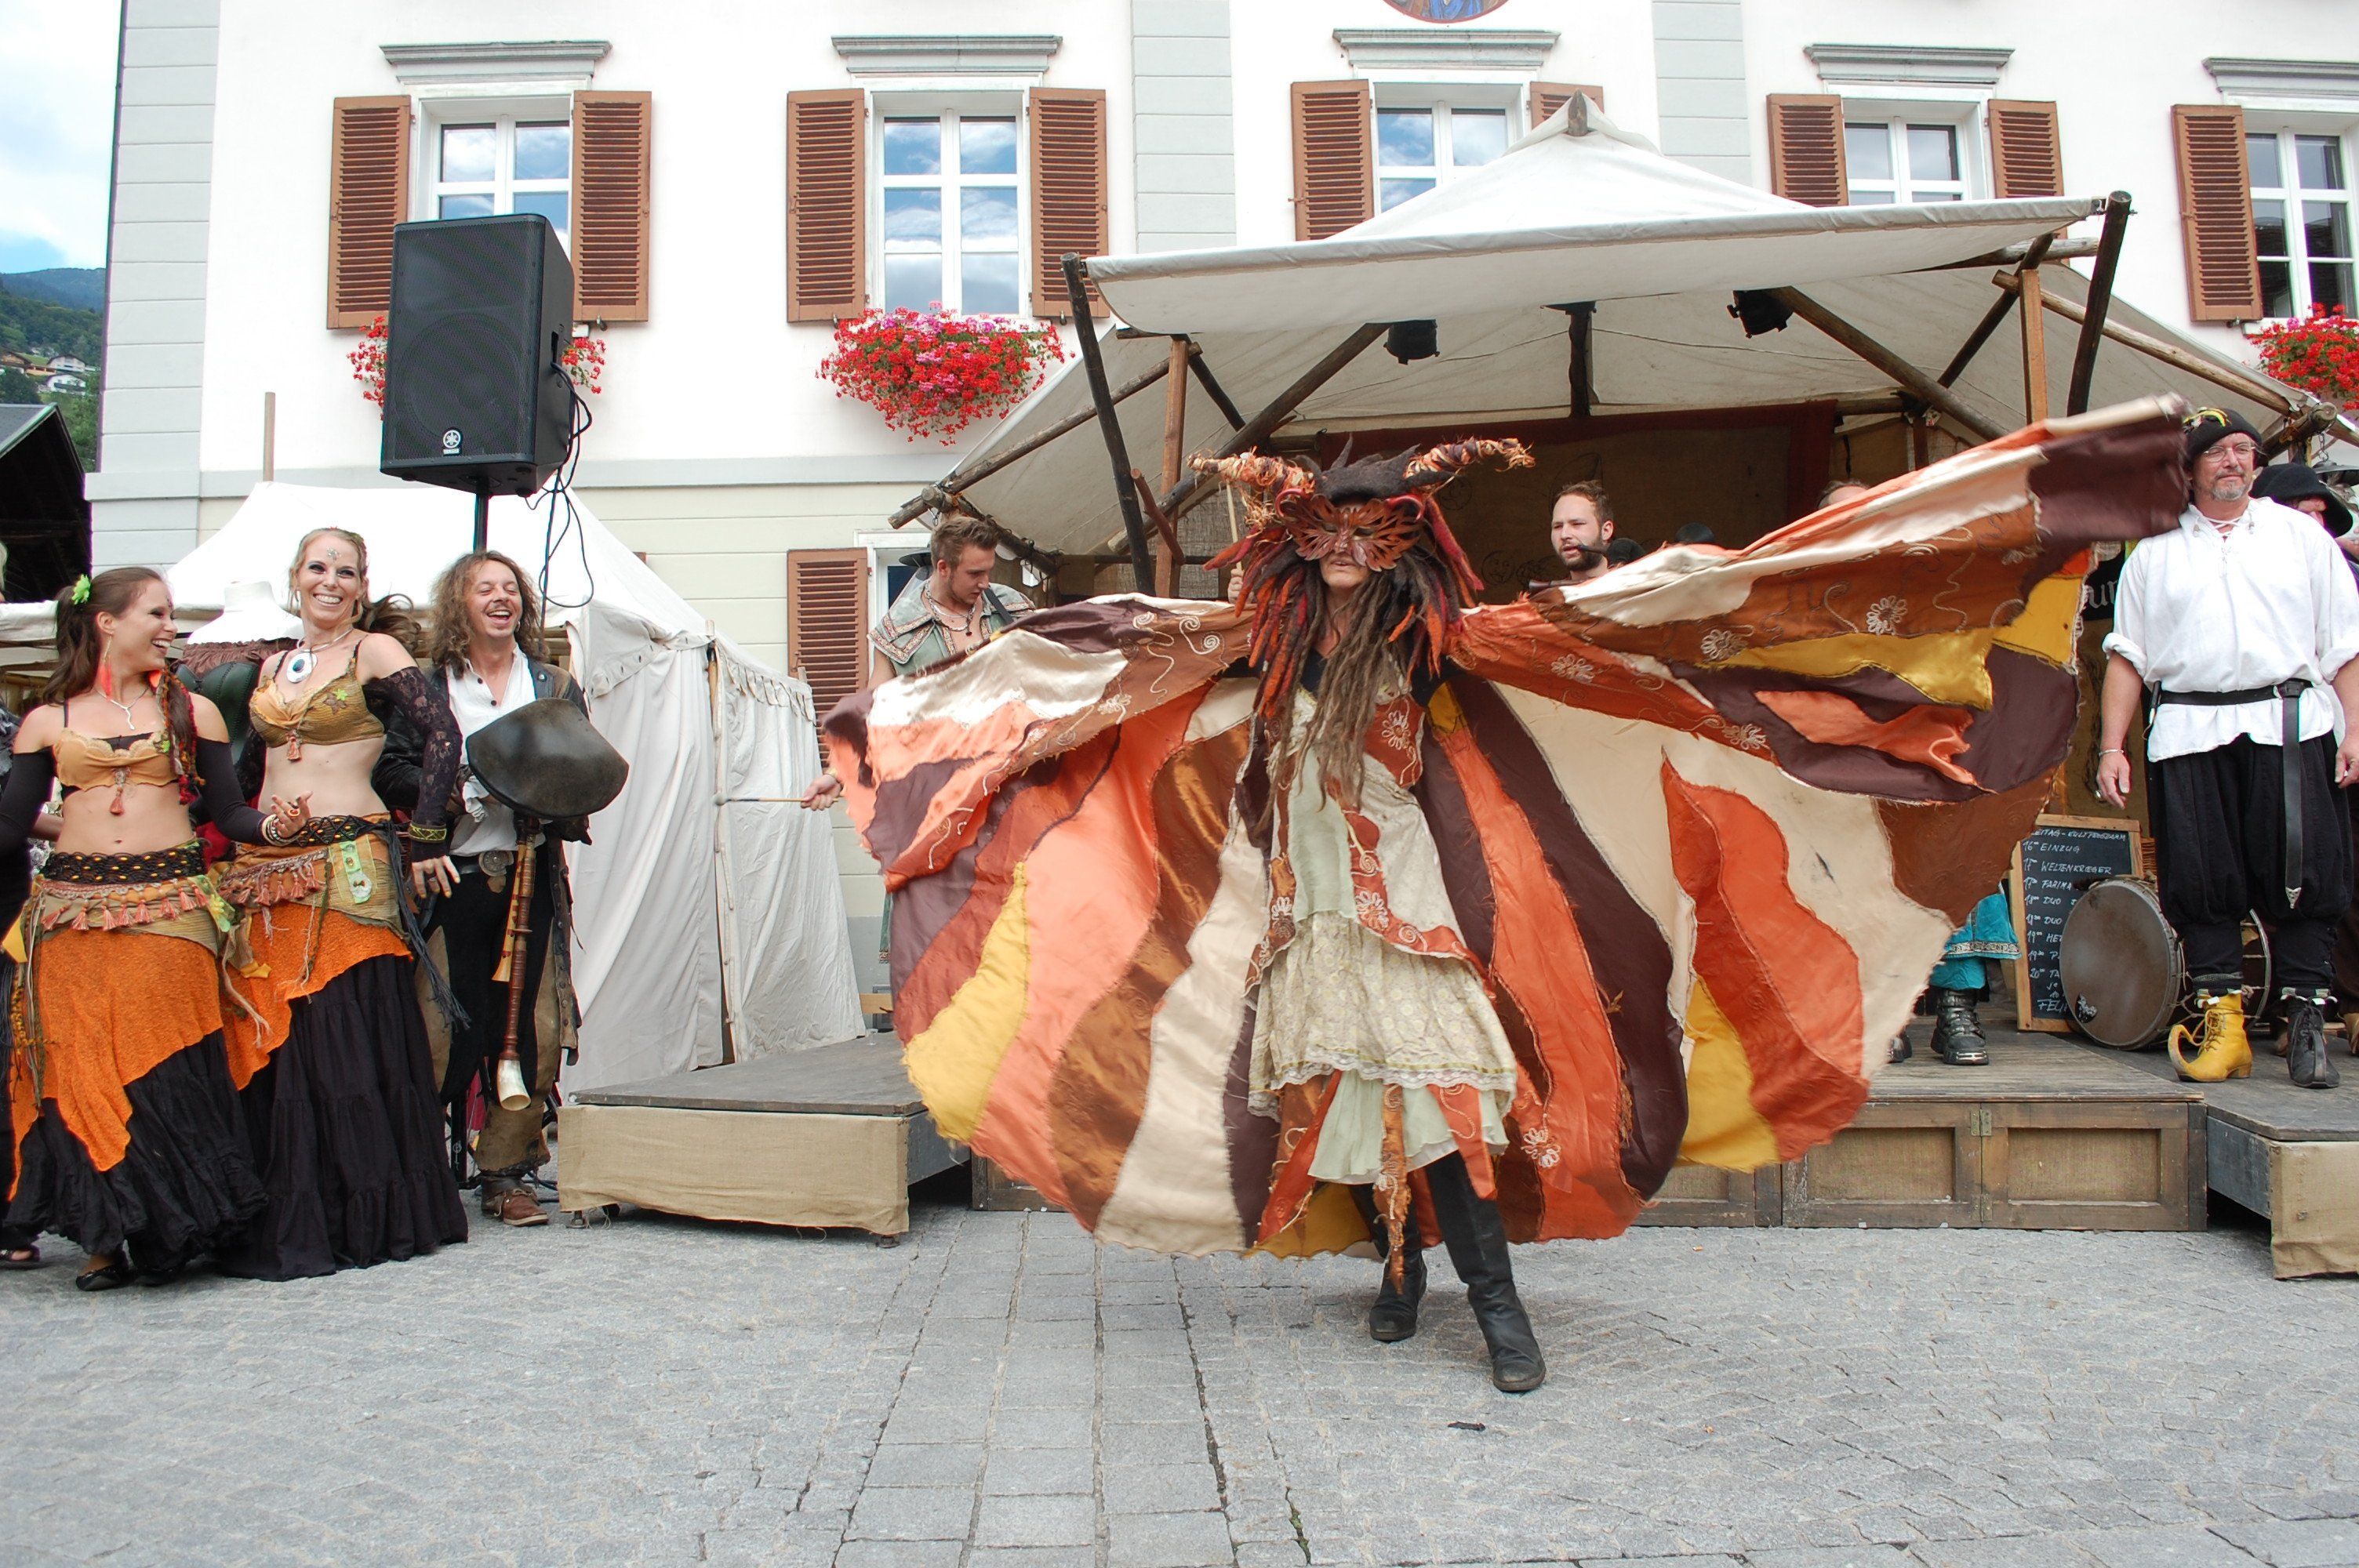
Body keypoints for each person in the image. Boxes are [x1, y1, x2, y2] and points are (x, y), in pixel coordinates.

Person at [823, 405, 2186, 1391]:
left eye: (1366, 537)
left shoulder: (1435, 642)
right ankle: (1401, 1274)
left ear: (1400, 547)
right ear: (1295, 548)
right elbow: (1090, 669)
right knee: (1351, 1102)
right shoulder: (1258, 646)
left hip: (1410, 915)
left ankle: (1496, 1307)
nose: (1342, 556)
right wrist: (913, 735)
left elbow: (1623, 629)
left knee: (1442, 1097)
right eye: (1324, 537)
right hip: (1311, 916)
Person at [0, 569, 308, 1288]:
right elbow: (11, 827)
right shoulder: (49, 720)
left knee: (165, 1067)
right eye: (158, 613)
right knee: (83, 1073)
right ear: (107, 622)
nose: (172, 627)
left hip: (170, 909)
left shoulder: (193, 712)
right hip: (73, 916)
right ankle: (104, 1238)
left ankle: (170, 1231)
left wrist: (276, 827)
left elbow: (228, 814)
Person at [211, 528, 471, 1276]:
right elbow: (252, 765)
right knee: (274, 1024)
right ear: (295, 576)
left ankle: (359, 1212)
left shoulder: (374, 653)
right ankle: (281, 1206)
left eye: (346, 571)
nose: (330, 580)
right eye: (318, 567)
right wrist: (240, 826)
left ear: (362, 586)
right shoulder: (272, 665)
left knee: (339, 1022)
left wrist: (425, 838)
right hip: (269, 865)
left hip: (349, 861)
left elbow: (443, 736)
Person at [2097, 409, 2359, 1090]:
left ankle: (2306, 1019)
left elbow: (2344, 647)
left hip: (2289, 721)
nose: (2234, 461)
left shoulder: (2302, 538)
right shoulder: (2154, 551)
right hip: (2189, 728)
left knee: (2304, 872)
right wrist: (2111, 746)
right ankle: (2225, 1027)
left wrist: (2356, 730)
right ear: (2188, 470)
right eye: (2216, 452)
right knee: (2201, 877)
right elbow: (2128, 657)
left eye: (2244, 449)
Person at [376, 552, 591, 1228]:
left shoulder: (553, 684)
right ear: (459, 605)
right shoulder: (430, 685)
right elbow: (392, 768)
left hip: (530, 875)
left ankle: (506, 1172)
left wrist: (545, 799)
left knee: (531, 1026)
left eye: (510, 588)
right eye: (484, 588)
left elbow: (582, 769)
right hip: (453, 876)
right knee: (438, 1025)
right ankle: (423, 1170)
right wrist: (458, 792)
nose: (501, 598)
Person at [1547, 479, 1615, 586]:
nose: (1564, 535)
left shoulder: (1636, 588)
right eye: (1557, 526)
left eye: (1577, 524)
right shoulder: (1550, 596)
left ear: (1606, 531)